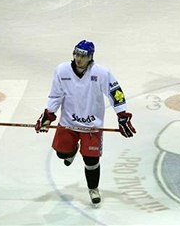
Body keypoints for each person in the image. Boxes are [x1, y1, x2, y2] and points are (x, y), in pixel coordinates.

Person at [34, 40, 136, 206]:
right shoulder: (62, 71)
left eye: (83, 55)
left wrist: (122, 115)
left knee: (91, 161)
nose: (79, 58)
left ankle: (93, 188)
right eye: (76, 54)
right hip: (68, 123)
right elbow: (55, 95)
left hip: (92, 126)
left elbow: (115, 93)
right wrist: (48, 114)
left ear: (90, 57)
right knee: (62, 154)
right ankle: (72, 150)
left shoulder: (101, 73)